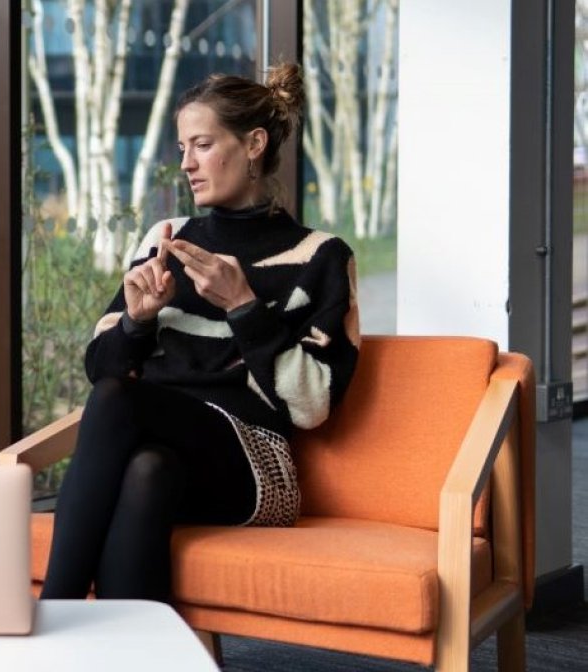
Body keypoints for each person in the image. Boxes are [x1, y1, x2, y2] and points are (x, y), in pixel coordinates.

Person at [40, 63, 361, 602]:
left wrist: (244, 307)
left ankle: (53, 615)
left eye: (202, 145)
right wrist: (138, 320)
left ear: (254, 143)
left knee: (122, 401)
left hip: (256, 465)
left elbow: (313, 406)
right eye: (182, 147)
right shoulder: (166, 239)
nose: (186, 163)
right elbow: (101, 367)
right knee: (148, 469)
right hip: (164, 447)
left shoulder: (321, 257)